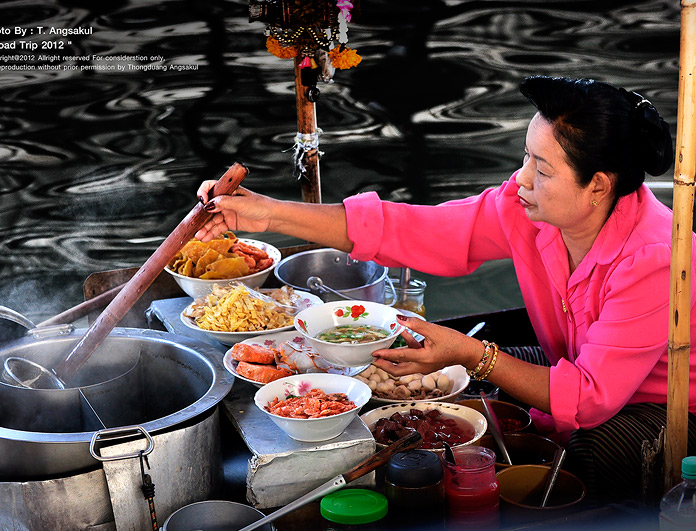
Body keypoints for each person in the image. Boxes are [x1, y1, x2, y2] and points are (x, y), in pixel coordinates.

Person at [195, 75, 696, 502]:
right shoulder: (530, 209)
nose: (521, 179)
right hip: (580, 370)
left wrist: (472, 354)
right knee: (464, 372)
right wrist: (269, 212)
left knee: (593, 452)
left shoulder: (654, 257)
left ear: (599, 186)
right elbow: (418, 230)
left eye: (542, 171)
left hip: (663, 406)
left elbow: (590, 398)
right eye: (526, 157)